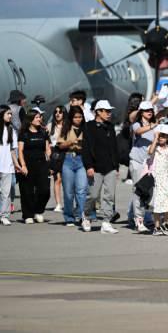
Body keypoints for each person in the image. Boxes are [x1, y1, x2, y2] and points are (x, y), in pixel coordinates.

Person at [82, 100, 120, 234]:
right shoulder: (88, 126)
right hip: (95, 167)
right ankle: (86, 216)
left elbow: (114, 147)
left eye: (110, 111)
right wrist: (88, 166)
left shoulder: (110, 126)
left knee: (109, 196)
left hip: (110, 167)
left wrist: (117, 167)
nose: (109, 114)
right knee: (92, 195)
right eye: (107, 111)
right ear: (98, 111)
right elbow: (85, 149)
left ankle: (106, 222)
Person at [17, 109, 52, 224]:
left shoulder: (43, 132)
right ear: (30, 119)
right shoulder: (24, 133)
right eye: (37, 117)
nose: (39, 119)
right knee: (27, 191)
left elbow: (47, 149)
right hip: (27, 164)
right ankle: (28, 214)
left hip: (42, 164)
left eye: (40, 117)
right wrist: (23, 165)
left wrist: (49, 161)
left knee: (45, 190)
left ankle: (38, 210)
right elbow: (20, 151)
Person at [128, 101, 157, 233]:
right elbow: (139, 131)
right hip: (137, 161)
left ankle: (140, 215)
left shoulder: (154, 124)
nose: (149, 112)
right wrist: (153, 126)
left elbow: (165, 111)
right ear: (141, 112)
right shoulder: (137, 124)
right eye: (146, 110)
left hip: (150, 163)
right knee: (138, 190)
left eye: (151, 109)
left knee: (149, 191)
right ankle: (139, 220)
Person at [57, 106, 86, 227]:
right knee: (68, 192)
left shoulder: (86, 128)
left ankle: (81, 214)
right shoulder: (66, 128)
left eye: (80, 117)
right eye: (75, 117)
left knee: (82, 189)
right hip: (68, 159)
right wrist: (70, 142)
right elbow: (60, 145)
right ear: (71, 118)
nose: (78, 119)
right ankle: (69, 216)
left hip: (82, 159)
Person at [148, 124, 168, 236]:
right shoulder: (154, 148)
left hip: (166, 179)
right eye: (160, 135)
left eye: (164, 136)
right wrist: (155, 138)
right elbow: (150, 152)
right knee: (157, 204)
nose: (161, 138)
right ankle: (157, 227)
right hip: (156, 180)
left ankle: (165, 223)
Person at [47, 105, 66, 212]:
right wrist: (48, 152)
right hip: (55, 153)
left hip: (66, 152)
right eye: (56, 112)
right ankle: (58, 203)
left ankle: (68, 202)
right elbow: (47, 141)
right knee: (57, 179)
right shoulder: (50, 126)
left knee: (67, 180)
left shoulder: (67, 126)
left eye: (60, 112)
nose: (58, 114)